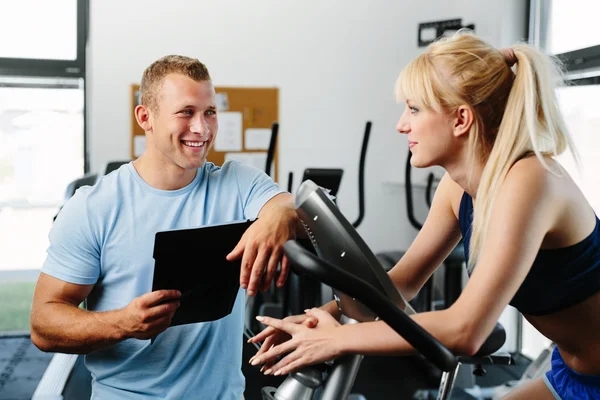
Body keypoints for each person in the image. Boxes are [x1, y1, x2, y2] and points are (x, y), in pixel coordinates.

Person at [249, 33, 600, 399]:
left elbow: (467, 328)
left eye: (414, 109)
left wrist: (337, 340)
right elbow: (399, 285)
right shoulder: (457, 188)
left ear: (461, 119)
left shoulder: (531, 181)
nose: (402, 125)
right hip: (570, 374)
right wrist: (315, 319)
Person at [30, 55, 301, 400]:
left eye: (210, 112)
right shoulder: (93, 207)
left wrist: (278, 216)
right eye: (186, 112)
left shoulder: (238, 183)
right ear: (146, 117)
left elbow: (292, 206)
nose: (202, 129)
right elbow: (43, 323)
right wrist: (122, 323)